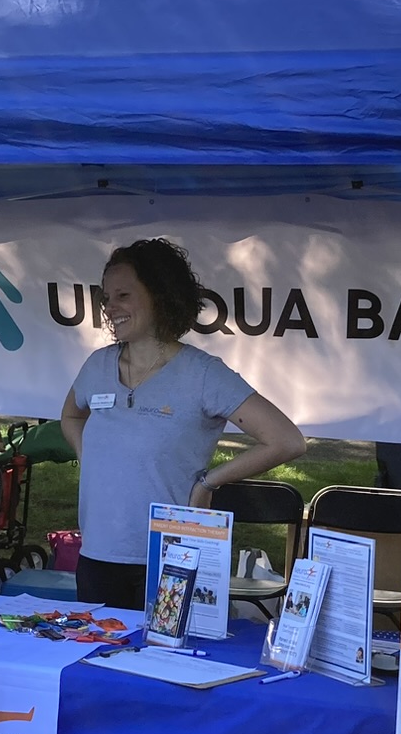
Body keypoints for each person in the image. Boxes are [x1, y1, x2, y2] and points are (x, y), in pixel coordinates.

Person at [58, 239, 306, 609]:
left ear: (159, 295)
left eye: (123, 295)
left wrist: (210, 482)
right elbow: (71, 414)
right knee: (98, 661)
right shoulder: (97, 366)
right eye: (106, 298)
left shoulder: (202, 374)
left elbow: (286, 440)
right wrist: (87, 453)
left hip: (171, 560)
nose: (111, 308)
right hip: (96, 557)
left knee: (162, 664)